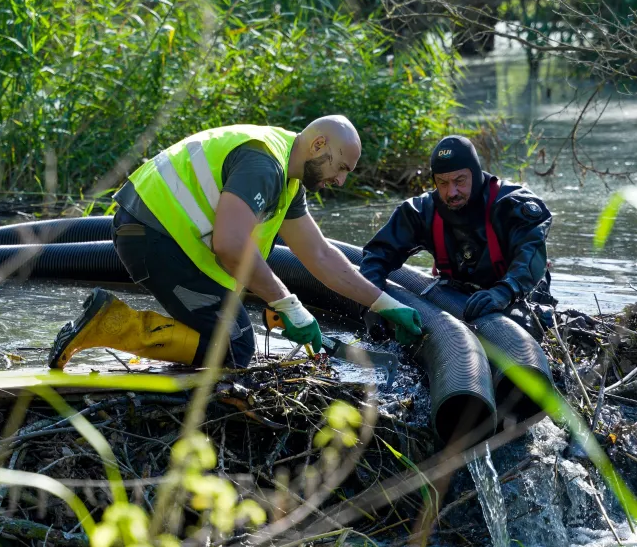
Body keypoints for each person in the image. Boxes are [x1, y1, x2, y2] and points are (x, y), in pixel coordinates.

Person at [48, 117, 424, 369]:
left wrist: (386, 304)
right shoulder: (265, 165)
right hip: (151, 235)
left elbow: (322, 256)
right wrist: (288, 305)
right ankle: (110, 323)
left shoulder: (287, 179)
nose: (341, 181)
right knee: (236, 348)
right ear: (319, 144)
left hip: (164, 238)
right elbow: (229, 245)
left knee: (230, 337)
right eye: (341, 167)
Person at [359, 135, 554, 323]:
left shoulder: (512, 205)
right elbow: (377, 256)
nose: (451, 192)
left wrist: (504, 292)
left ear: (476, 174)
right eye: (442, 183)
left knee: (526, 324)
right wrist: (372, 303)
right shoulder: (420, 212)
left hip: (517, 295)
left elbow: (530, 254)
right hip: (458, 295)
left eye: (459, 181)